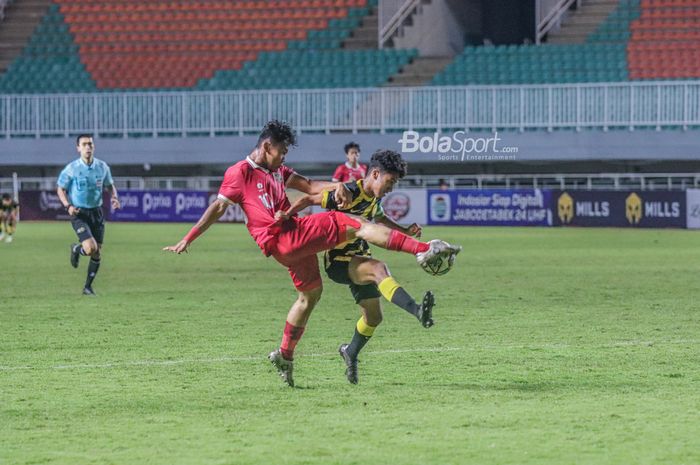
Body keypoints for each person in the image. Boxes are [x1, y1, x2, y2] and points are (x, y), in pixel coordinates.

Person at [163, 120, 461, 388]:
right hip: (283, 237)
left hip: (292, 243)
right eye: (281, 151)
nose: (284, 157)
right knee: (357, 224)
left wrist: (338, 185)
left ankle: (284, 355)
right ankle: (424, 251)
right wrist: (188, 238)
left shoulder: (278, 170)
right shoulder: (239, 173)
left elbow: (307, 185)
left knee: (310, 295)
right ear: (266, 146)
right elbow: (218, 207)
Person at [282, 149, 438, 384]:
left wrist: (405, 230)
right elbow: (308, 199)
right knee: (378, 269)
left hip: (358, 258)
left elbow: (381, 219)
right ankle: (417, 311)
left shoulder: (373, 199)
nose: (391, 188)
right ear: (375, 174)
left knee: (373, 318)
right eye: (390, 181)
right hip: (338, 260)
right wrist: (286, 215)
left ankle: (350, 351)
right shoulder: (348, 191)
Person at [57, 134, 121, 296]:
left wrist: (114, 197)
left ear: (94, 147)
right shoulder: (72, 168)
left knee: (97, 251)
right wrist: (68, 206)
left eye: (90, 144)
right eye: (84, 144)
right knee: (90, 247)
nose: (88, 147)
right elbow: (61, 189)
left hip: (97, 212)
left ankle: (87, 287)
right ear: (78, 148)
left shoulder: (102, 167)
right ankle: (78, 248)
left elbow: (110, 185)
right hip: (79, 213)